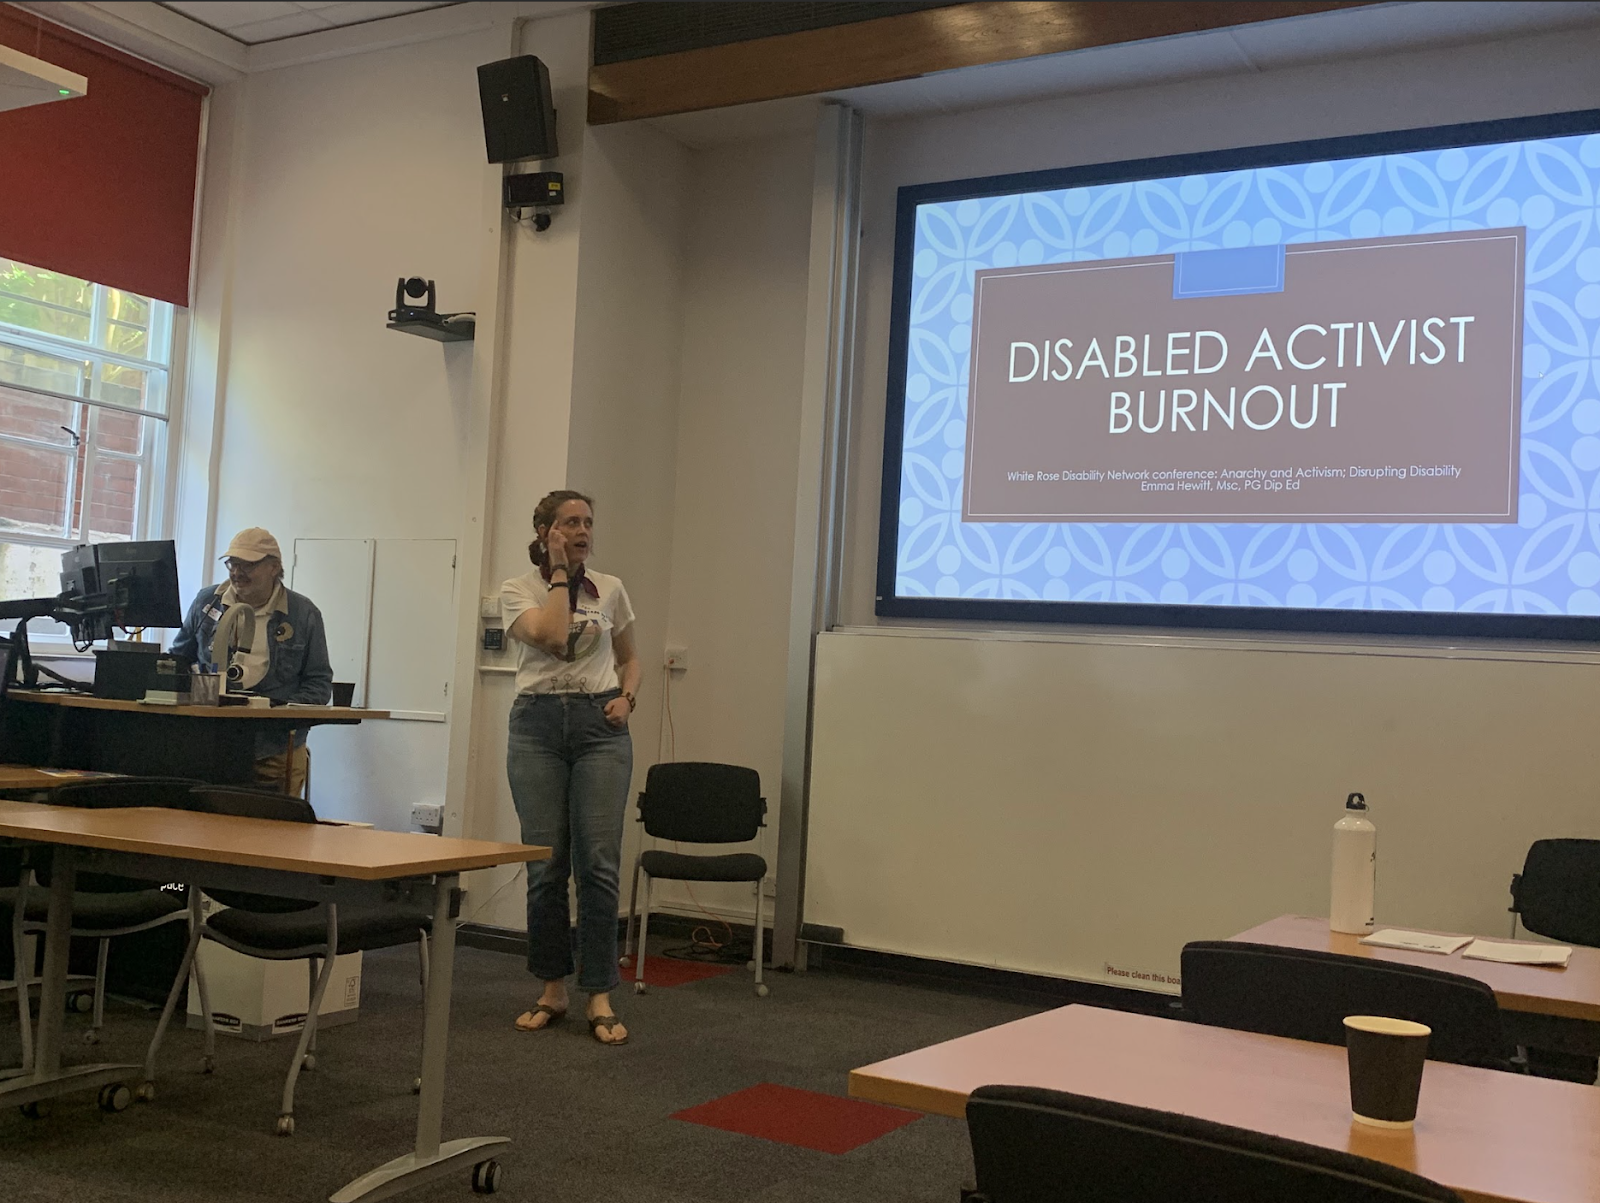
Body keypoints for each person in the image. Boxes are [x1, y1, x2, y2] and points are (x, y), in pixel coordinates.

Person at [501, 489, 641, 1046]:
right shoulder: (519, 590)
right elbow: (553, 636)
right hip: (535, 726)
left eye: (587, 522)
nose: (582, 531)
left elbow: (631, 657)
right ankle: (552, 989)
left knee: (599, 864)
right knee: (545, 865)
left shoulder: (611, 589)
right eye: (569, 523)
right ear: (545, 533)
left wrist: (628, 698)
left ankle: (600, 993)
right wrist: (559, 574)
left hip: (599, 727)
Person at [171, 527, 333, 794]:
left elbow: (318, 682)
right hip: (208, 742)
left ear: (274, 567)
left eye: (248, 564)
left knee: (272, 829)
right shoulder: (207, 602)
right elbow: (178, 660)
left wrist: (280, 713)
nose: (237, 572)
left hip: (274, 749)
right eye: (232, 563)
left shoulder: (303, 613)